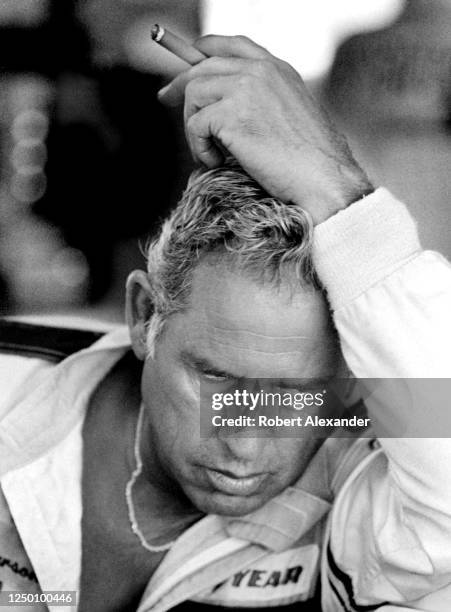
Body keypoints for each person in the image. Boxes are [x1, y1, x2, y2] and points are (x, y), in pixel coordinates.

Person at [1, 34, 451, 612]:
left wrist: (335, 189)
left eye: (294, 395)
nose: (242, 441)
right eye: (216, 379)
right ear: (144, 317)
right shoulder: (11, 388)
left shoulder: (356, 499)